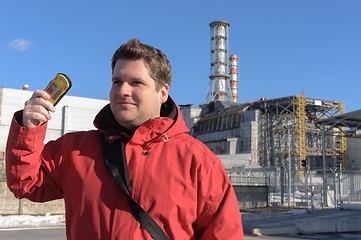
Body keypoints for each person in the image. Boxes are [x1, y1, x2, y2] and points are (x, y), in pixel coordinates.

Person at [6, 39, 244, 239]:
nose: (123, 90)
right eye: (117, 81)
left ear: (163, 93)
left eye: (136, 83)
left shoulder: (199, 162)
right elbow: (25, 183)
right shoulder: (75, 150)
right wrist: (29, 129)